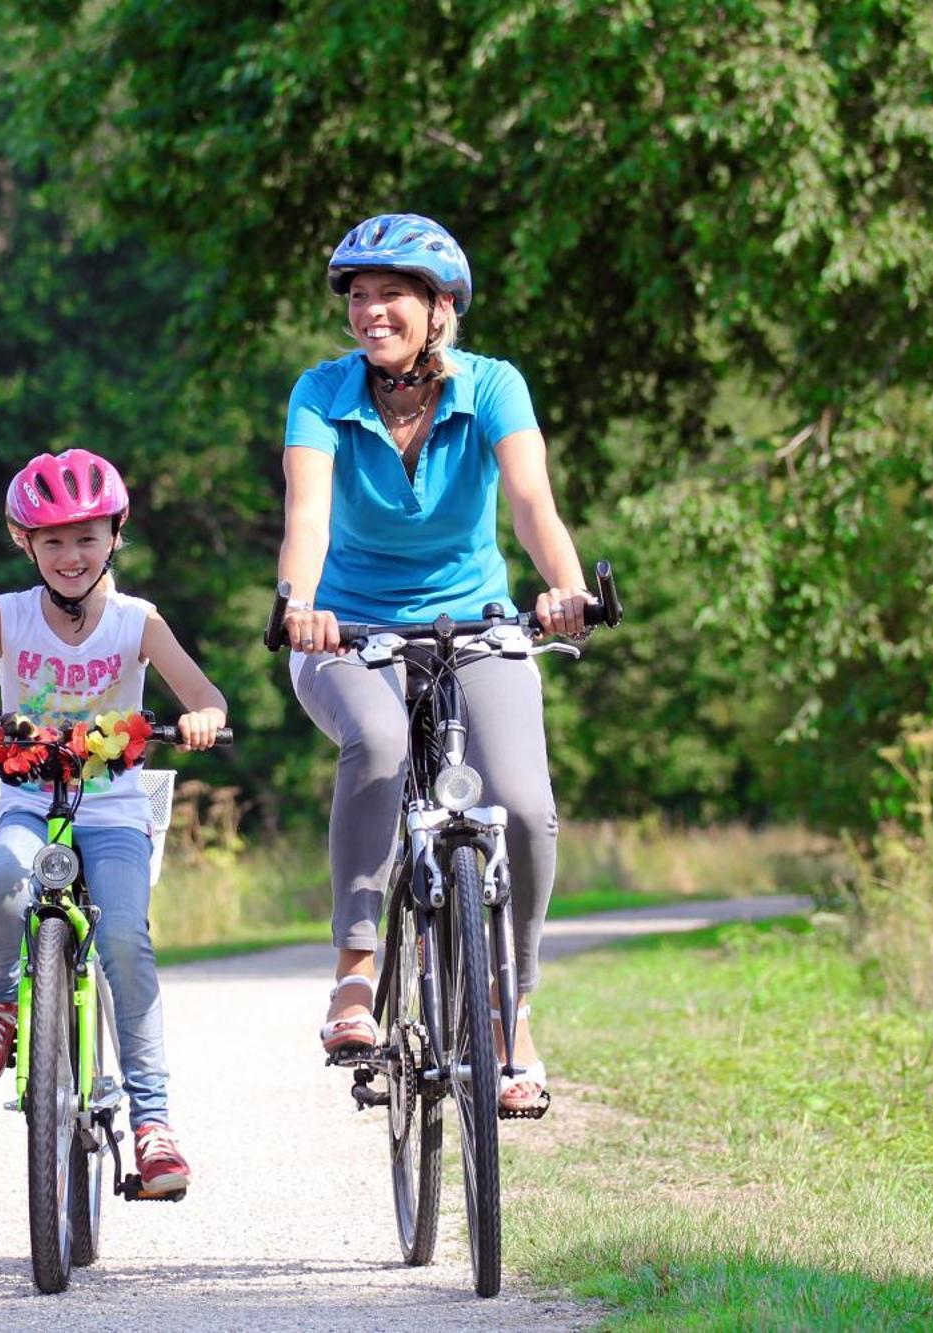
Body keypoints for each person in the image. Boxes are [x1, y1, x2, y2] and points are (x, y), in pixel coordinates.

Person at [275, 213, 589, 1115]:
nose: (371, 312)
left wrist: (564, 591)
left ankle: (511, 1007)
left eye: (391, 295)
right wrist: (299, 604)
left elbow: (530, 501)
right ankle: (356, 967)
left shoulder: (494, 386)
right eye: (359, 296)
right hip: (348, 633)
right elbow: (309, 517)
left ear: (440, 307)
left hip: (476, 628)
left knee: (524, 806)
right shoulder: (321, 393)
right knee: (374, 739)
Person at [0, 449, 228, 1193]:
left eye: (86, 537)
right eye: (52, 541)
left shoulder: (137, 620)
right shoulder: (7, 614)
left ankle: (154, 1122)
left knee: (123, 940)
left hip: (112, 804)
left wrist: (203, 717)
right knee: (2, 884)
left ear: (115, 532)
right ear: (25, 544)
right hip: (26, 796)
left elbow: (202, 691)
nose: (71, 555)